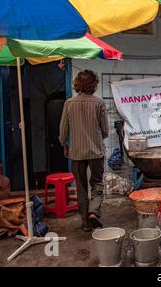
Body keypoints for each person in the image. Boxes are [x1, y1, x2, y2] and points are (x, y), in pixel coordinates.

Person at [59, 70, 108, 232]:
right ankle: (94, 212)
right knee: (97, 183)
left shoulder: (69, 103)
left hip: (77, 153)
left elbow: (63, 131)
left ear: (77, 84)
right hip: (95, 152)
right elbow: (105, 131)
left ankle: (86, 223)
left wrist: (65, 145)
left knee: (80, 187)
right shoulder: (99, 103)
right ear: (94, 85)